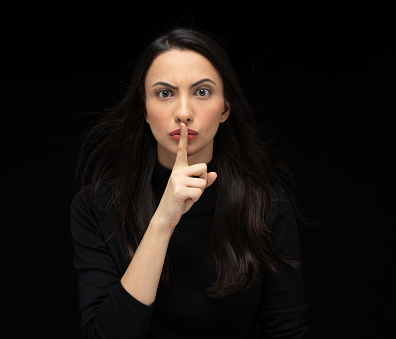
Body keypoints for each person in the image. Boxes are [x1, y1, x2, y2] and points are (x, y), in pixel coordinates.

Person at [70, 27, 308, 338]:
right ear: (144, 108)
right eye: (164, 93)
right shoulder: (96, 206)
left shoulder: (265, 203)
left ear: (224, 109)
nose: (183, 113)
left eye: (202, 92)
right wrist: (163, 221)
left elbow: (286, 331)